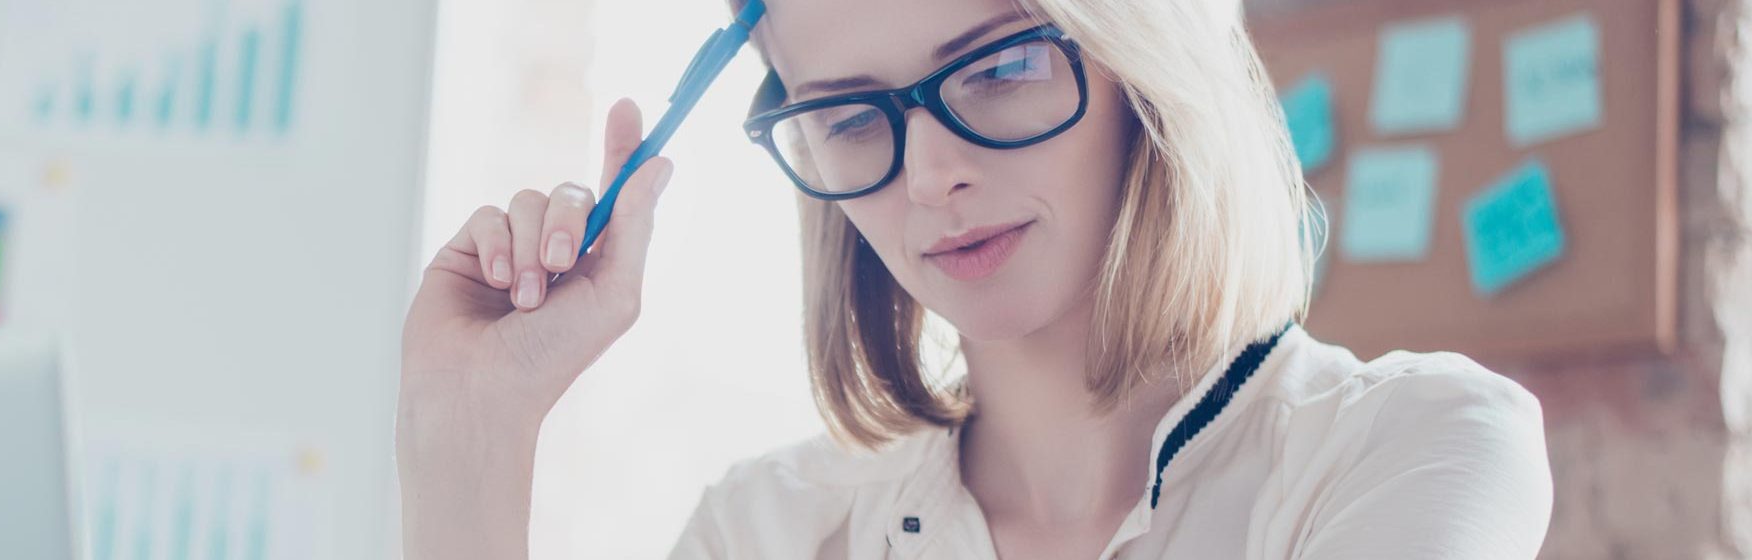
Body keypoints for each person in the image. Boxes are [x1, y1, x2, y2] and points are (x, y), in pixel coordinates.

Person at [395, 0, 1555, 557]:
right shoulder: (769, 528)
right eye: (850, 114)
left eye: (999, 66)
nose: (933, 175)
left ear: (1138, 69)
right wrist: (470, 441)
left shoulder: (1420, 447)